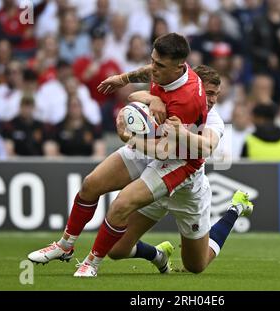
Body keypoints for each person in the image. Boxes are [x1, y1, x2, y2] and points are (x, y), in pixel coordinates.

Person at [27, 33, 209, 277]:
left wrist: (130, 139)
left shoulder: (188, 100)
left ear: (179, 68)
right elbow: (148, 71)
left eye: (160, 65)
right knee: (91, 184)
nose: (154, 68)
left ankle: (91, 263)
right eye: (153, 60)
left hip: (178, 159)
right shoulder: (168, 70)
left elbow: (166, 150)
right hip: (155, 141)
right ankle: (65, 246)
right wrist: (124, 79)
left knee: (121, 205)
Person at [105, 65, 253, 274]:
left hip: (188, 191)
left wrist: (182, 133)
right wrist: (154, 99)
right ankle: (158, 255)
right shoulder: (175, 100)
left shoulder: (213, 119)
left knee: (195, 266)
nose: (212, 100)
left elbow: (208, 146)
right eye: (209, 93)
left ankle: (235, 208)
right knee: (115, 249)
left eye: (216, 95)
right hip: (157, 180)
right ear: (197, 89)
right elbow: (134, 96)